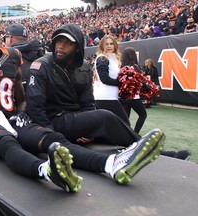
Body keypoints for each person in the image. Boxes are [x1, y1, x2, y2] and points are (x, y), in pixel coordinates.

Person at [0, 18, 82, 193]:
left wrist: (21, 112)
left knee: (51, 137)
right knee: (7, 142)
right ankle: (46, 170)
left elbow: (21, 99)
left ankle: (107, 163)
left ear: (1, 34)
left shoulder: (13, 56)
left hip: (10, 119)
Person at [26, 23, 165, 184]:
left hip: (74, 119)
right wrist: (54, 136)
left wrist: (88, 130)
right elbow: (35, 109)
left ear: (77, 47)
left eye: (67, 43)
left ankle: (147, 150)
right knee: (105, 117)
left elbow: (87, 104)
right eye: (58, 41)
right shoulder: (41, 66)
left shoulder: (84, 67)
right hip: (54, 122)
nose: (61, 46)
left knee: (109, 126)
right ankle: (149, 149)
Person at [92, 35, 130, 125]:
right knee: (124, 124)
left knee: (111, 125)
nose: (109, 46)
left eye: (111, 44)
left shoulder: (112, 59)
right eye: (107, 44)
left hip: (110, 97)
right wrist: (123, 83)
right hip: (105, 97)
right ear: (102, 46)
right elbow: (104, 79)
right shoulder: (102, 58)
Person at [119, 47, 147, 134]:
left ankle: (125, 135)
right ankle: (135, 134)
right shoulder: (135, 67)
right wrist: (147, 88)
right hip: (133, 96)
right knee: (143, 115)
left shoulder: (121, 67)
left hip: (122, 97)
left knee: (125, 119)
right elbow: (142, 82)